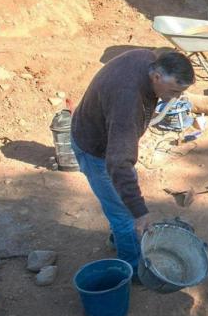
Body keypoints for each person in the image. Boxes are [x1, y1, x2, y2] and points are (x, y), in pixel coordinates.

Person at [71, 50, 195, 273]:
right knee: (126, 216)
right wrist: (140, 212)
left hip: (99, 134)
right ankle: (134, 268)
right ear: (157, 76)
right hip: (95, 150)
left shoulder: (147, 58)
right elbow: (118, 163)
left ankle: (118, 237)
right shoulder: (128, 100)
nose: (175, 98)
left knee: (121, 201)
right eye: (174, 91)